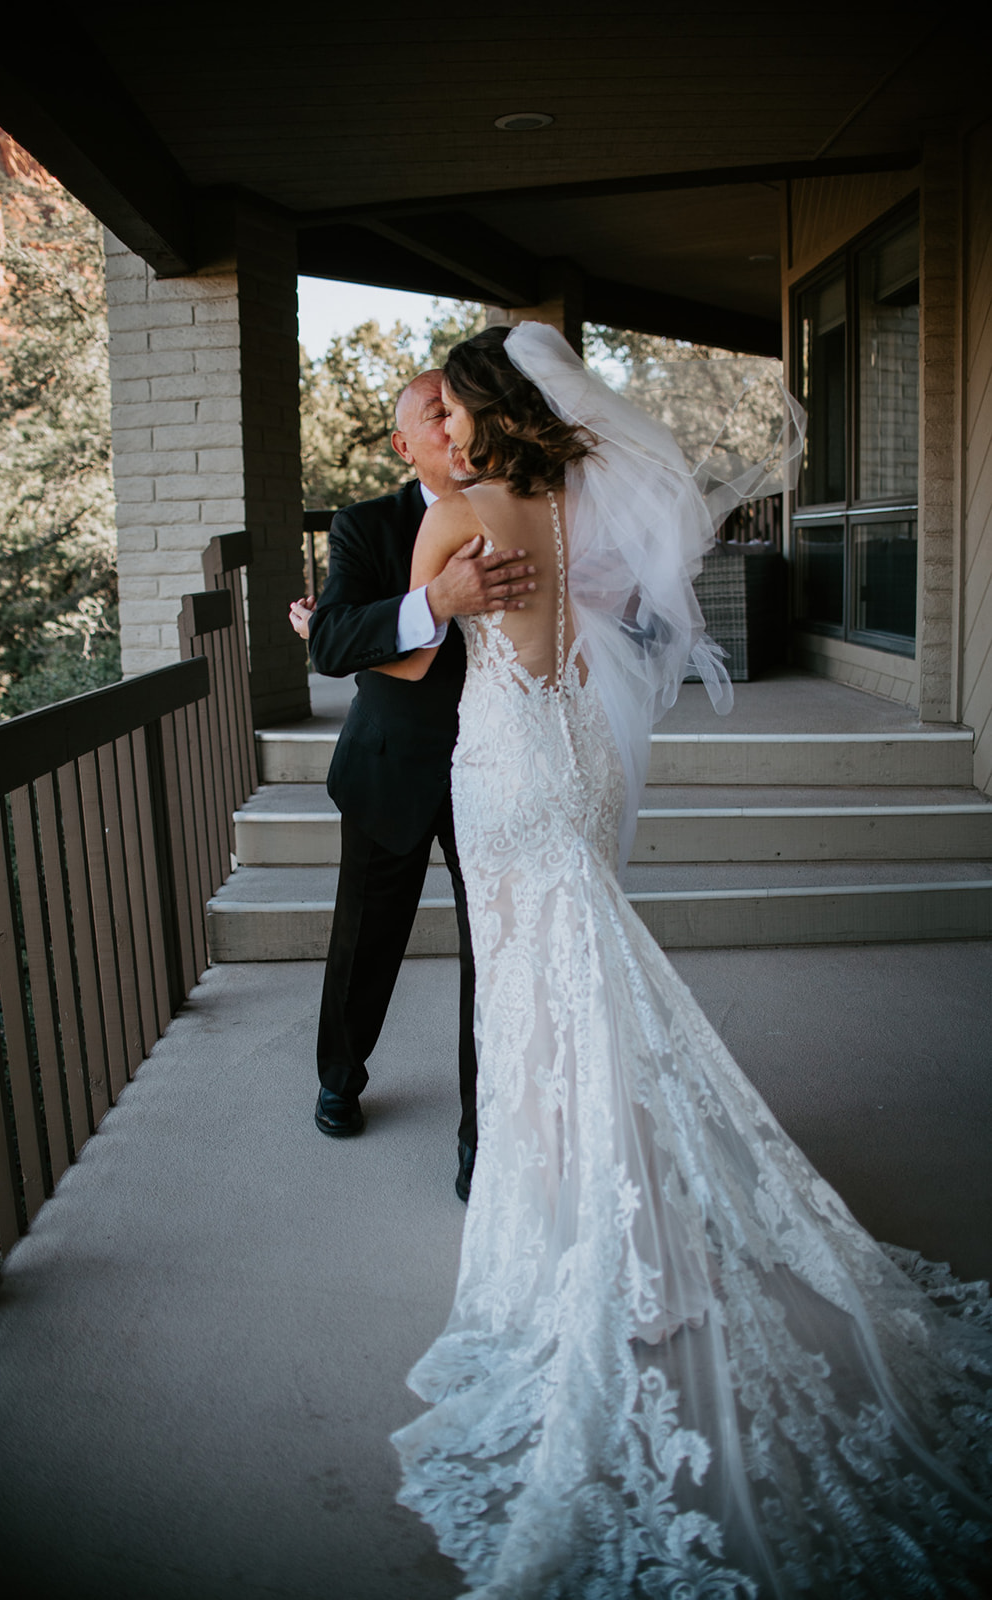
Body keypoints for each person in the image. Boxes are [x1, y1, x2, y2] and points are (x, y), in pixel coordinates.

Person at [383, 324, 992, 1597]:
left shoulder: (457, 516)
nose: (433, 432)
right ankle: (611, 1189)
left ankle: (569, 1219)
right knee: (580, 979)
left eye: (445, 408)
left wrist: (404, 603)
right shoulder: (557, 495)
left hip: (502, 771)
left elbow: (409, 654)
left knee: (529, 997)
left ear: (475, 414)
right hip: (577, 754)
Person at [289, 371, 536, 1201]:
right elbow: (330, 642)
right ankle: (340, 1073)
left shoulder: (522, 510)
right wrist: (434, 600)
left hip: (500, 767)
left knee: (493, 961)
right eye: (438, 416)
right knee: (365, 940)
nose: (457, 425)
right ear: (405, 445)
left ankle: (483, 1137)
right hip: (391, 762)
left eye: (462, 410)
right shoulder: (365, 525)